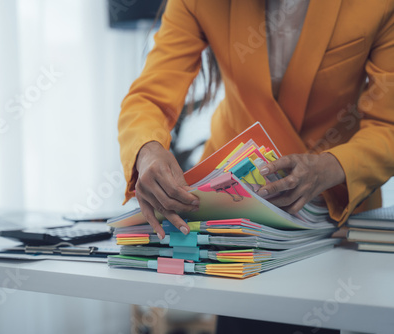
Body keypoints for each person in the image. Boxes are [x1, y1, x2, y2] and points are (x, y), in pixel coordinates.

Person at [117, 0, 394, 240]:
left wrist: (330, 167)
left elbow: (388, 127)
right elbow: (149, 97)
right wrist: (147, 150)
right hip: (228, 205)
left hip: (335, 206)